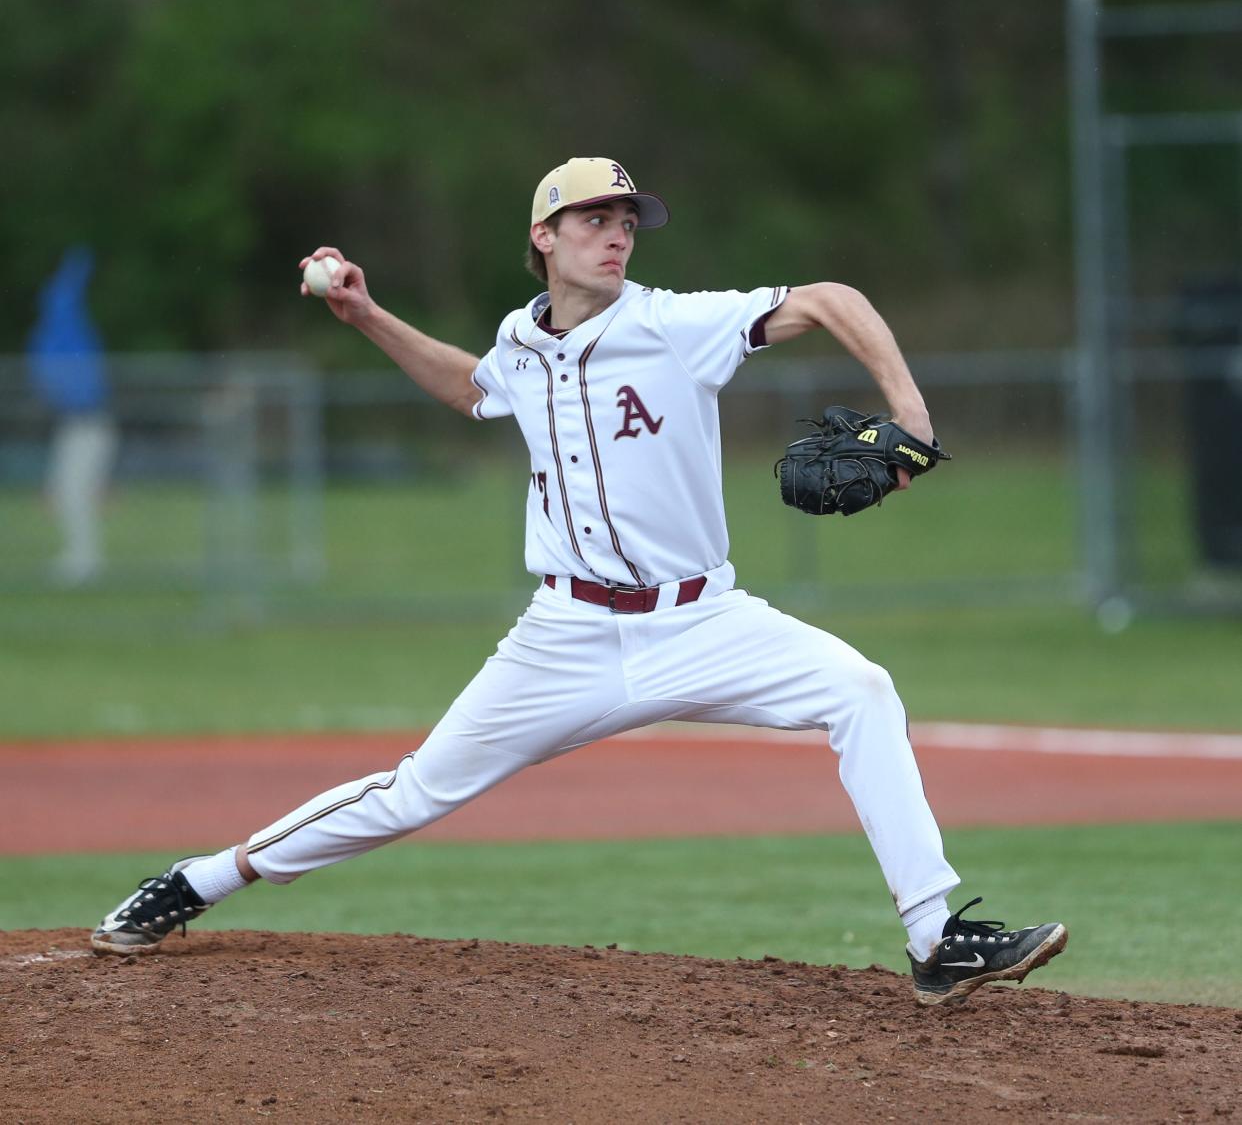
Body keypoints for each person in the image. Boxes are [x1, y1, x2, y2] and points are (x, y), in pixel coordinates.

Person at [91, 157, 1067, 1005]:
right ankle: (197, 880)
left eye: (627, 220)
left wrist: (914, 417)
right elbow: (472, 387)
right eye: (594, 219)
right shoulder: (522, 344)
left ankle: (936, 937)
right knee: (415, 791)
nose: (617, 235)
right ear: (543, 237)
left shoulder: (680, 325)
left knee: (861, 690)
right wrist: (364, 312)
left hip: (704, 620)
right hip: (563, 637)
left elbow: (830, 300)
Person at [27, 246, 119, 586]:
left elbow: (65, 293)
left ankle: (85, 560)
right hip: (74, 426)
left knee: (74, 492)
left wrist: (78, 263)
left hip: (90, 425)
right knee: (64, 492)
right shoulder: (55, 336)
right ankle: (79, 556)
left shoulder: (69, 330)